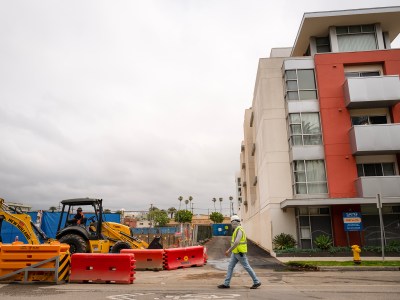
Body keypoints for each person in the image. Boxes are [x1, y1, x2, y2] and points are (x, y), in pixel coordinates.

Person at [218, 215, 261, 289]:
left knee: (247, 267)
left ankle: (256, 281)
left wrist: (229, 250)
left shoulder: (239, 230)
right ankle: (226, 283)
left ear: (234, 222)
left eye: (232, 222)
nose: (231, 224)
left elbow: (236, 242)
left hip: (239, 253)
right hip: (235, 252)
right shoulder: (237, 229)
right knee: (230, 267)